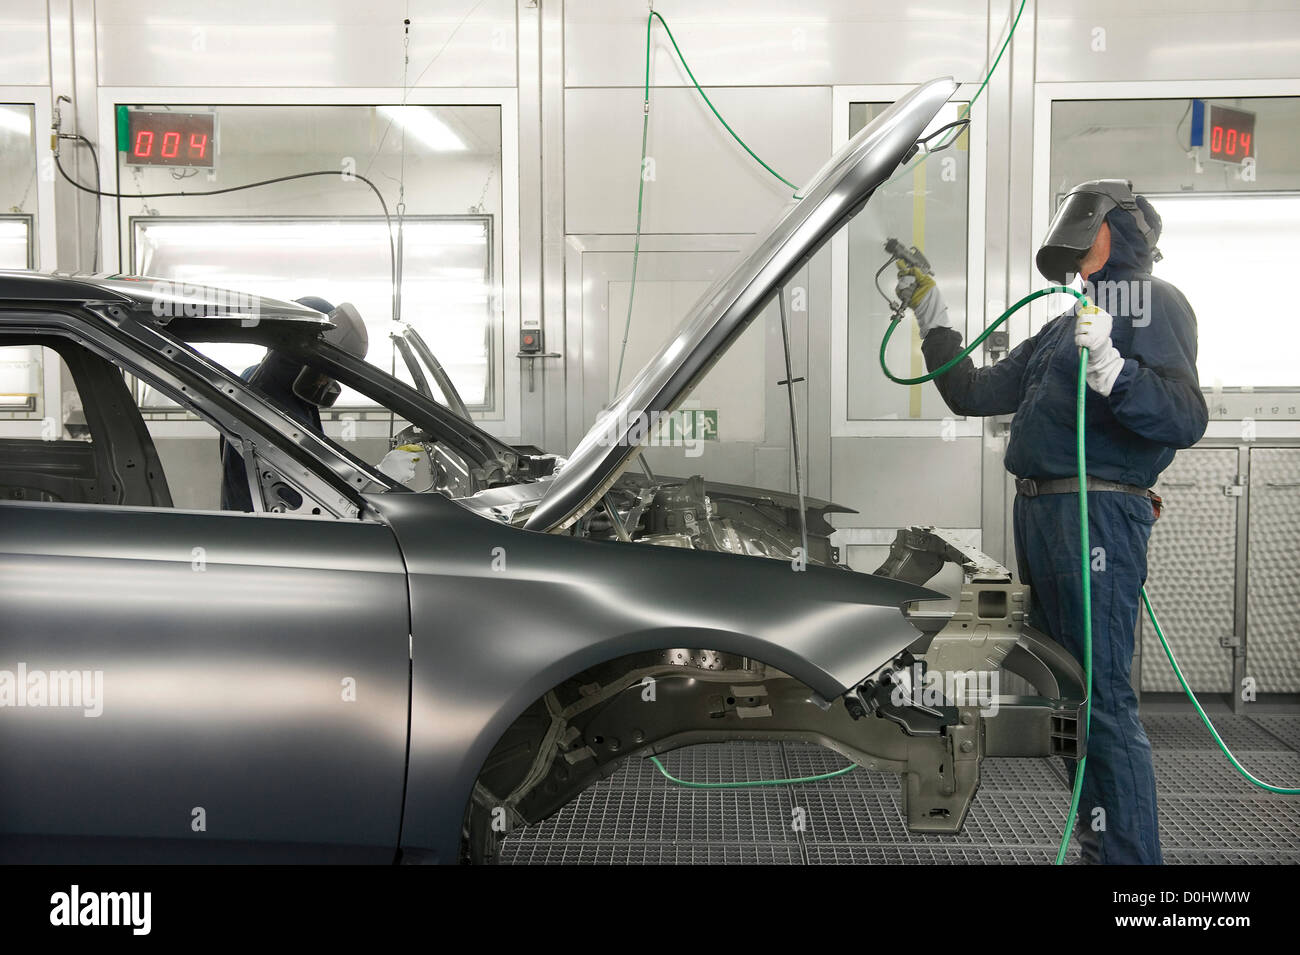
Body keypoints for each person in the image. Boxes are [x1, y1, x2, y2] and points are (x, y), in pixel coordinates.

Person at [895, 180, 1208, 864]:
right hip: (1041, 512)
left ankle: (1130, 868)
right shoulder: (1066, 322)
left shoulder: (1155, 303)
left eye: (1081, 218)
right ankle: (1100, 847)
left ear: (1111, 228)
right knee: (1071, 693)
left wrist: (1114, 367)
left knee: (1099, 695)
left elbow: (1186, 417)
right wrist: (932, 312)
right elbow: (975, 393)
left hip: (1094, 514)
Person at [219, 296, 421, 511]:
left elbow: (313, 470)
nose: (329, 381)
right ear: (303, 357)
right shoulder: (272, 406)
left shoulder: (262, 380)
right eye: (327, 369)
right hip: (270, 537)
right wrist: (381, 478)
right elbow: (310, 496)